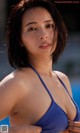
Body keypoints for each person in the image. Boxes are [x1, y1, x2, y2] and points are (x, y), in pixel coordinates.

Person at [0, 0, 80, 133]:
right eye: (32, 28)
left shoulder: (62, 79)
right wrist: (8, 131)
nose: (44, 35)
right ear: (20, 39)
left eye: (49, 25)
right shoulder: (17, 83)